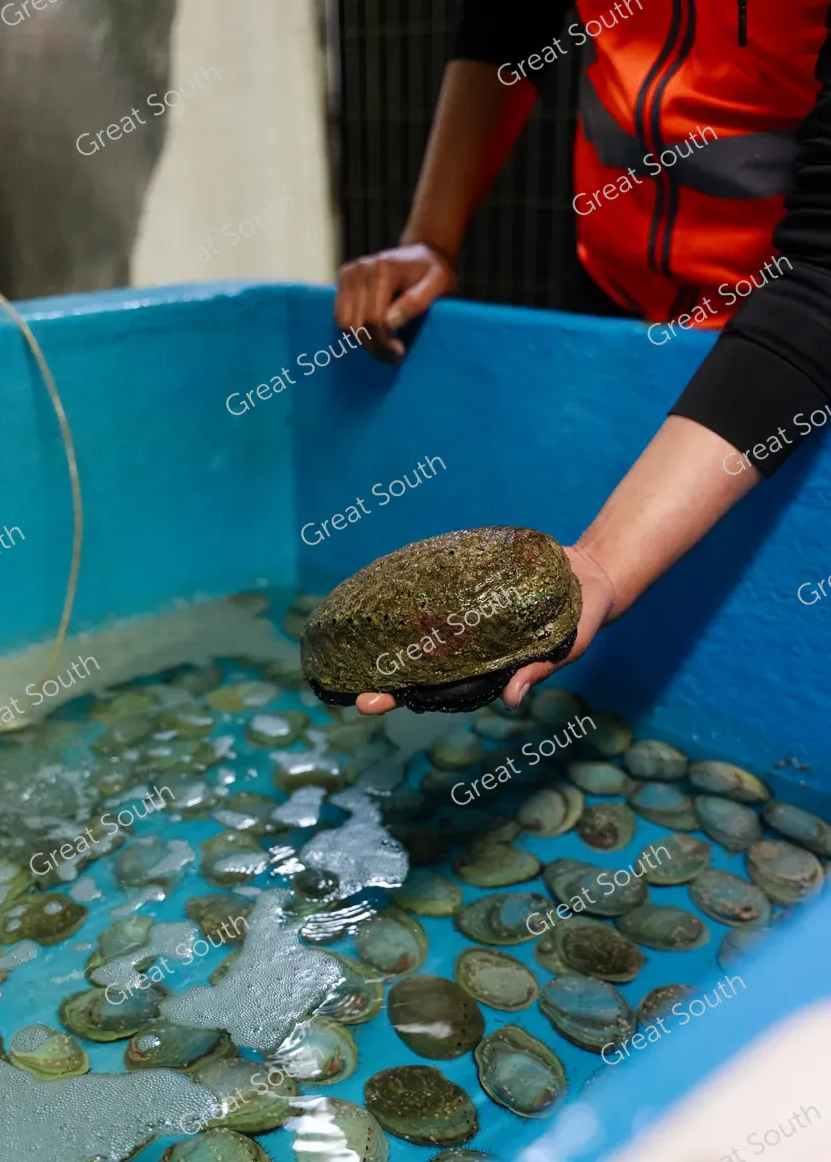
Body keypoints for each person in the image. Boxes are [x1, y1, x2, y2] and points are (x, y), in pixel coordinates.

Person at [333, 1, 831, 716]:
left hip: (779, 330)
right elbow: (505, 23)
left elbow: (819, 280)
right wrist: (431, 238)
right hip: (611, 283)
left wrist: (603, 562)